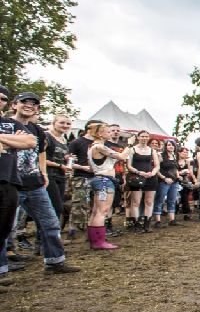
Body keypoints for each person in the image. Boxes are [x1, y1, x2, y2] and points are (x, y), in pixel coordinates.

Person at [10, 92, 80, 274]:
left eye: (34, 103)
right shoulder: (5, 125)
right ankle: (3, 267)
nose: (29, 105)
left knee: (50, 222)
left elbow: (40, 151)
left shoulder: (37, 130)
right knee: (6, 226)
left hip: (35, 183)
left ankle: (55, 262)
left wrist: (42, 172)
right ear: (14, 105)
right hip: (11, 183)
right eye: (24, 101)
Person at [0, 85, 40, 283]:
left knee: (4, 227)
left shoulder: (9, 123)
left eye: (2, 98)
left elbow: (30, 142)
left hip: (9, 179)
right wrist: (11, 141)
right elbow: (20, 142)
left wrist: (3, 141)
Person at [87, 123, 131, 250]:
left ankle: (94, 239)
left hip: (99, 178)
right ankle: (99, 241)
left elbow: (91, 167)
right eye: (107, 131)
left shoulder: (92, 148)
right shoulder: (100, 147)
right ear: (100, 133)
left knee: (96, 211)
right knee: (102, 211)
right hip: (104, 181)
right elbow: (122, 156)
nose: (110, 133)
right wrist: (129, 145)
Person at [123, 130, 161, 233]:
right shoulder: (132, 149)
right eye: (142, 136)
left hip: (150, 177)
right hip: (136, 178)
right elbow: (129, 165)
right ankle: (137, 224)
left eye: (146, 136)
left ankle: (147, 223)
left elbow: (157, 165)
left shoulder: (152, 150)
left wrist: (153, 173)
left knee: (149, 201)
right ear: (138, 137)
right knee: (136, 202)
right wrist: (139, 172)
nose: (144, 138)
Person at [152, 139, 182, 227]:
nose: (171, 146)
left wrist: (177, 176)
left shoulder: (175, 155)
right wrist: (164, 178)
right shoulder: (160, 155)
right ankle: (157, 220)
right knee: (160, 200)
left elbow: (175, 168)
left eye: (172, 145)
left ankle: (172, 219)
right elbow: (156, 169)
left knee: (172, 200)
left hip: (174, 181)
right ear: (165, 146)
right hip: (164, 181)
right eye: (169, 145)